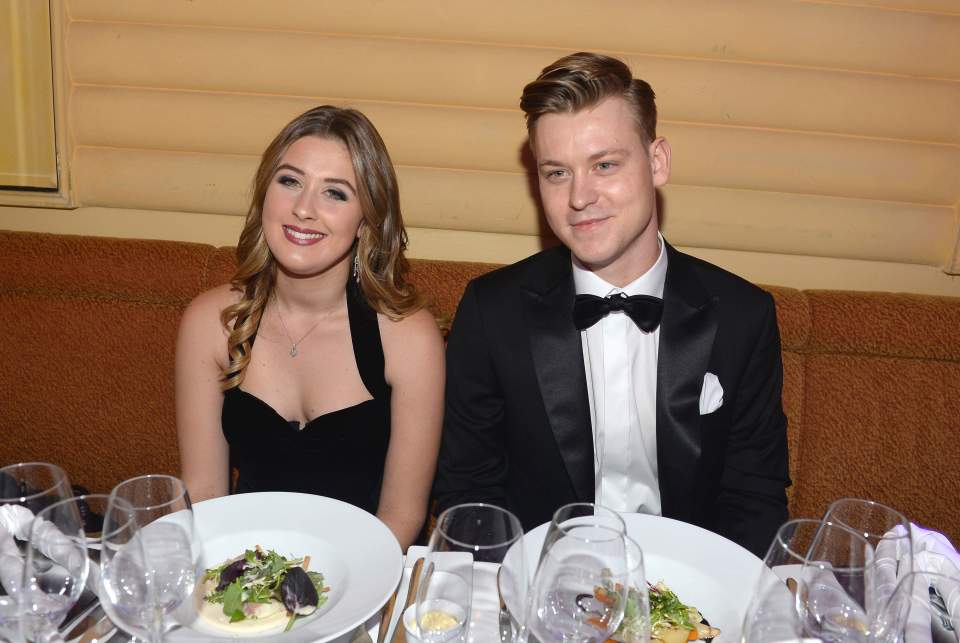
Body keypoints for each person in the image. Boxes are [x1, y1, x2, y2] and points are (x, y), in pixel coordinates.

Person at [434, 52, 790, 557]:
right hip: (540, 591)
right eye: (557, 173)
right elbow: (470, 496)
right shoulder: (492, 313)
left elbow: (754, 500)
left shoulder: (742, 316)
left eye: (604, 165)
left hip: (690, 596)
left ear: (657, 161)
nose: (580, 196)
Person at [176, 106, 444, 549]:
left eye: (335, 193)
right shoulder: (212, 321)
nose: (303, 209)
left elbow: (403, 515)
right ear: (265, 194)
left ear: (366, 221)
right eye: (290, 181)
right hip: (244, 571)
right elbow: (203, 495)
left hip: (365, 572)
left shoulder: (406, 337)